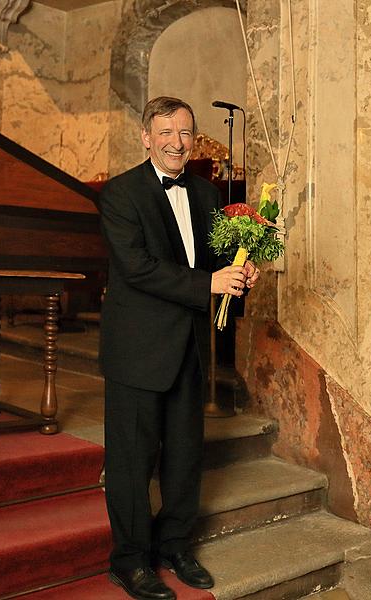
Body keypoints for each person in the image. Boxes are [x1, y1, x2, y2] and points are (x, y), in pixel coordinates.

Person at [99, 96, 259, 600]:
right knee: (132, 459)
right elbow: (138, 268)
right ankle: (130, 560)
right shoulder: (121, 194)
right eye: (165, 131)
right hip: (138, 350)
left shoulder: (208, 194)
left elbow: (214, 261)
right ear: (146, 137)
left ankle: (174, 544)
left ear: (195, 139)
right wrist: (208, 284)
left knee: (185, 456)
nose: (176, 141)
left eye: (185, 132)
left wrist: (239, 273)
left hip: (189, 347)